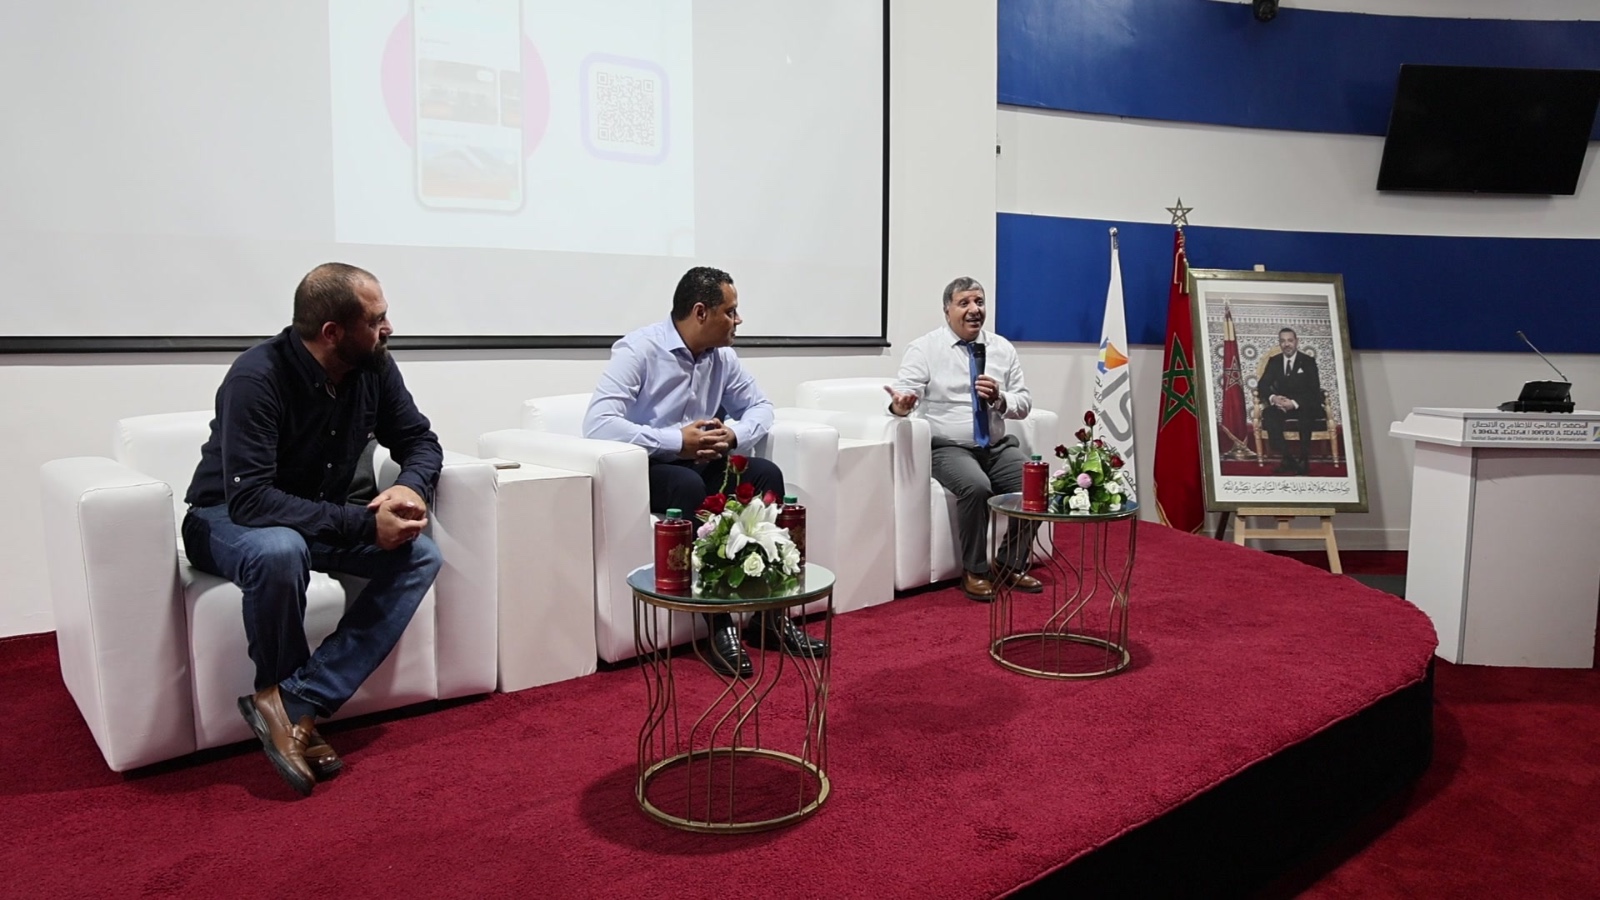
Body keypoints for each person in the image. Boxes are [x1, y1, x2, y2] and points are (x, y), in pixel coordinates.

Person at [181, 263, 443, 797]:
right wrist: (364, 524)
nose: (388, 328)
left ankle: (295, 702)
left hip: (311, 517)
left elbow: (420, 441)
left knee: (420, 556)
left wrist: (412, 486)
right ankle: (292, 715)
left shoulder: (374, 367)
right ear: (332, 332)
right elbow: (251, 499)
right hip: (223, 517)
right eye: (376, 319)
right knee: (280, 550)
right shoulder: (257, 377)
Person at [583, 266, 827, 678]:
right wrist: (676, 441)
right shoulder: (639, 350)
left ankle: (771, 618)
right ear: (701, 312)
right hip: (652, 467)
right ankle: (717, 625)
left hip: (703, 461)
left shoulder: (722, 357)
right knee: (688, 483)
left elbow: (760, 407)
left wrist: (734, 435)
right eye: (730, 311)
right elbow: (598, 424)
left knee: (765, 475)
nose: (738, 320)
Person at [886, 276, 1041, 602]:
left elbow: (1024, 403)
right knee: (976, 486)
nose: (974, 309)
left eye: (979, 302)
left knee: (1036, 484)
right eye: (964, 303)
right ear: (947, 310)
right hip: (948, 448)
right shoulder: (925, 348)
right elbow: (903, 397)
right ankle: (975, 570)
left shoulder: (1002, 348)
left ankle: (1009, 562)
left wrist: (999, 398)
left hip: (996, 447)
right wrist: (901, 406)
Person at [1256, 327, 1325, 475]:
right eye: (1283, 341)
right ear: (1279, 343)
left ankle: (1303, 460)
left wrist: (1293, 403)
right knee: (1269, 414)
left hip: (1304, 404)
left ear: (1296, 342)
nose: (1286, 344)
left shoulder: (1308, 361)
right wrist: (1274, 398)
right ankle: (1287, 458)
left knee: (1306, 414)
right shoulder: (1274, 361)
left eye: (1290, 340)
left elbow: (1314, 390)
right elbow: (1262, 385)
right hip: (1281, 404)